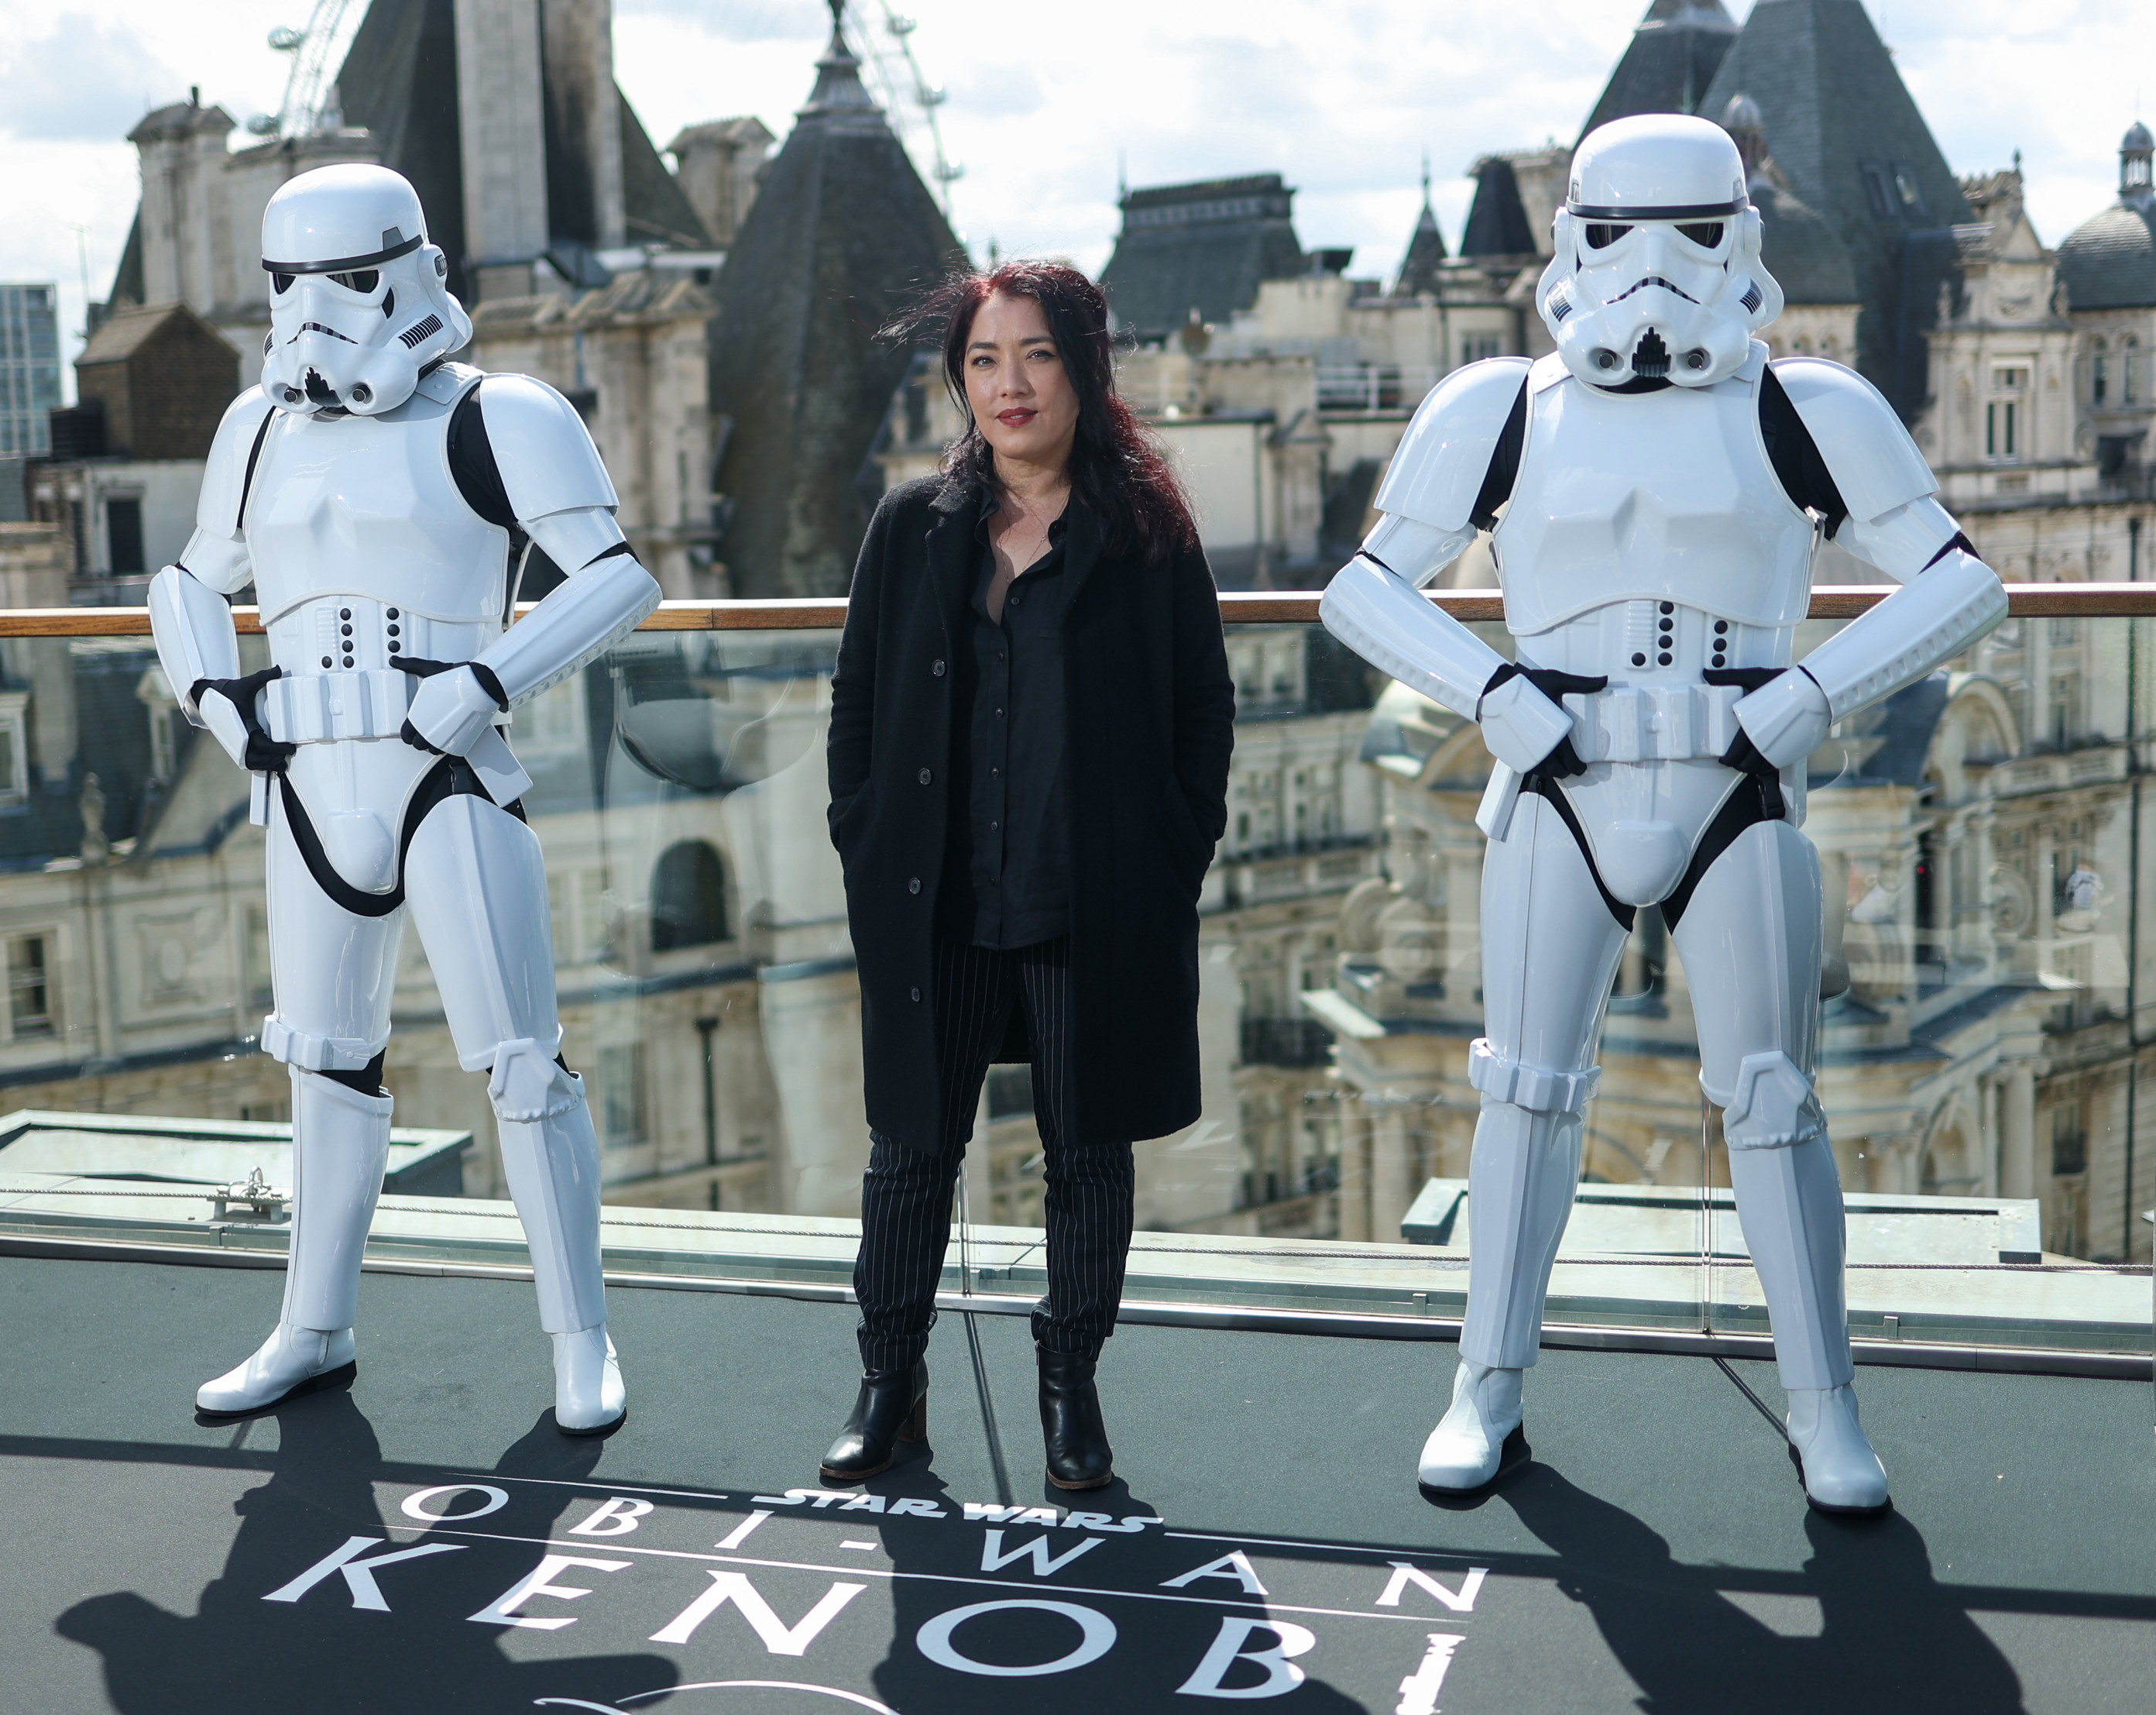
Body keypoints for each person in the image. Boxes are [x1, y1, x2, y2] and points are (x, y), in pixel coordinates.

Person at [1320, 115, 2007, 1514]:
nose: (1652, 269)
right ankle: (1486, 1381)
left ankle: (1824, 1408)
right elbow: (1362, 590)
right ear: (1571, 237)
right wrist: (1499, 695)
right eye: (1621, 231)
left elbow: (1962, 581)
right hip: (1556, 785)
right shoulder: (1494, 407)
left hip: (1735, 787)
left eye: (1691, 231)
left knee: (1772, 1101)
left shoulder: (1808, 406)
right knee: (1521, 1091)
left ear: (1740, 235)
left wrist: (1805, 697)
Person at [148, 163, 661, 1433]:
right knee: (322, 1063)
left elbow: (613, 578)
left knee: (520, 1061)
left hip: (445, 770)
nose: (316, 311)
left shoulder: (504, 415)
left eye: (345, 279)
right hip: (308, 778)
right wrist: (221, 703)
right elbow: (188, 580)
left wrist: (488, 673)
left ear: (409, 268)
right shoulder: (255, 429)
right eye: (289, 285)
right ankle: (311, 1323)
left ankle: (579, 1337)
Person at [822, 261, 1235, 1490]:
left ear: (1086, 369)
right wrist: (863, 835)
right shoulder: (911, 524)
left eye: (1036, 354)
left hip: (1091, 897)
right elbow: (857, 702)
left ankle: (1071, 1384)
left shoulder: (1150, 534)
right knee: (910, 1150)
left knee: (1086, 1154)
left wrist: (1170, 851)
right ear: (960, 378)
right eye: (985, 359)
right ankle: (890, 1382)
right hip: (937, 900)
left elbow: (1202, 712)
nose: (1008, 384)